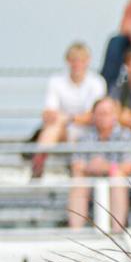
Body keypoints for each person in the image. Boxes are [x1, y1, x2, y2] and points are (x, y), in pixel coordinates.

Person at [32, 42, 107, 177]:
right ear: (68, 61)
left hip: (90, 132)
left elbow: (95, 117)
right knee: (53, 126)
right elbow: (48, 114)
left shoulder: (97, 82)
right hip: (64, 130)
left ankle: (39, 167)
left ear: (88, 61)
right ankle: (38, 166)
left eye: (81, 60)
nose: (77, 64)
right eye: (74, 60)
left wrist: (67, 118)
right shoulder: (56, 81)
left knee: (57, 125)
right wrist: (64, 119)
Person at [67, 98, 131, 229]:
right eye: (100, 113)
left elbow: (128, 167)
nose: (104, 117)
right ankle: (75, 231)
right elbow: (76, 165)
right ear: (93, 116)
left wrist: (107, 167)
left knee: (117, 177)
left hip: (117, 182)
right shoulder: (84, 136)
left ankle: (117, 230)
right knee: (78, 178)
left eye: (108, 113)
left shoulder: (125, 135)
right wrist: (89, 167)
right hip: (90, 179)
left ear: (115, 115)